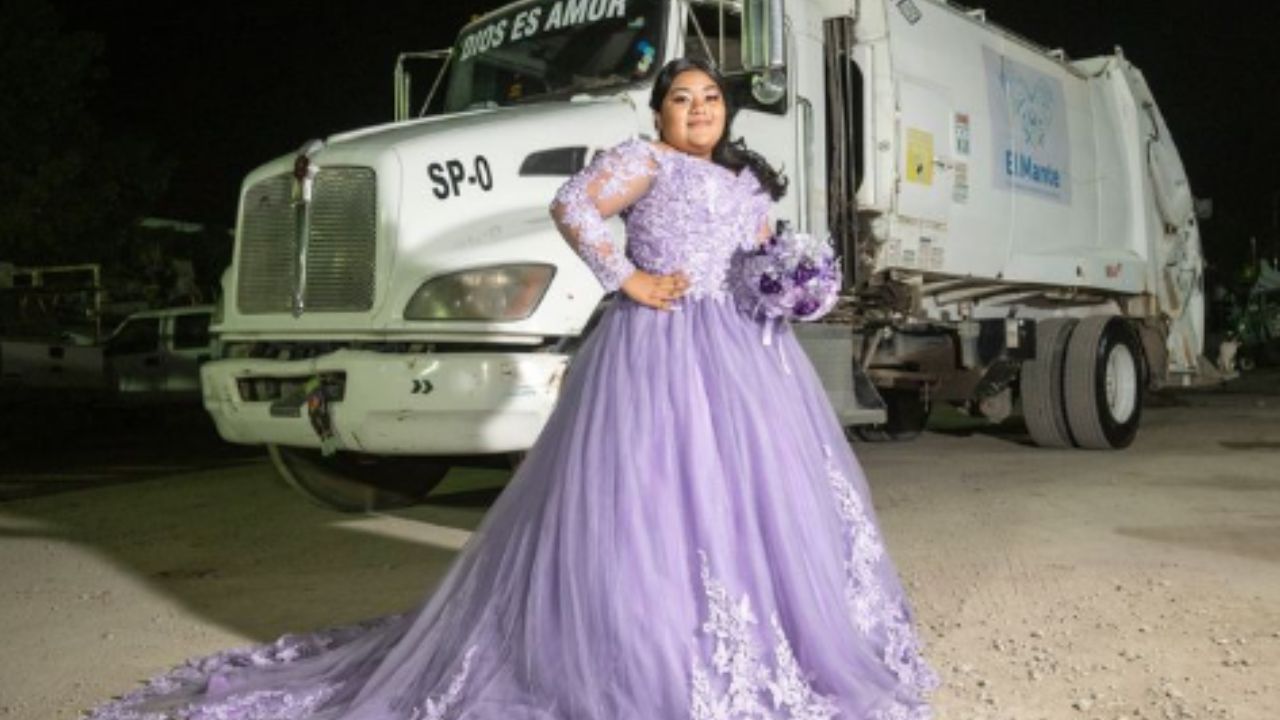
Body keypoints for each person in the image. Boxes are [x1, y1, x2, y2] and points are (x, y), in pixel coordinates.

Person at [87, 57, 936, 720]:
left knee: (749, 500)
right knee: (653, 499)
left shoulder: (744, 185)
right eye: (683, 99)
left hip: (744, 357)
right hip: (659, 346)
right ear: (659, 113)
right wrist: (626, 280)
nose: (699, 110)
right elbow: (573, 206)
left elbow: (755, 263)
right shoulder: (644, 162)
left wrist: (794, 287)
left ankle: (763, 642)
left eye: (710, 98)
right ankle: (647, 651)